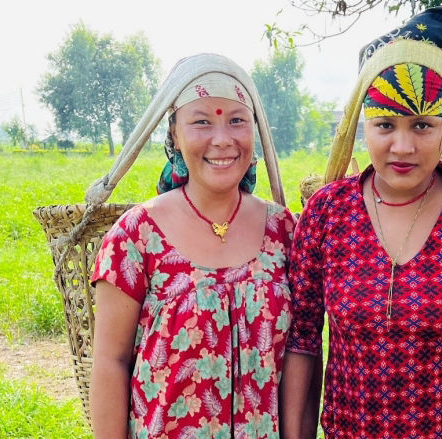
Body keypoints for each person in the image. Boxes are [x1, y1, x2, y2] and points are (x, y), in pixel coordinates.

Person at [281, 5, 442, 439]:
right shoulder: (326, 215)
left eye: (421, 125)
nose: (402, 146)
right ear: (362, 126)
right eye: (385, 125)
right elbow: (304, 342)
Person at [89, 53, 294, 439]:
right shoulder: (135, 237)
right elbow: (110, 362)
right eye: (201, 122)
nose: (222, 139)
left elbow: (300, 357)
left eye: (237, 120)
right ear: (175, 135)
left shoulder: (283, 231)